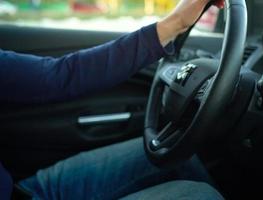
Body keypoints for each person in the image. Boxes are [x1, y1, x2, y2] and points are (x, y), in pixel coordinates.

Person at [0, 0, 225, 199]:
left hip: (24, 190)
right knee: (199, 196)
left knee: (175, 154)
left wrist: (176, 23)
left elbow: (59, 76)